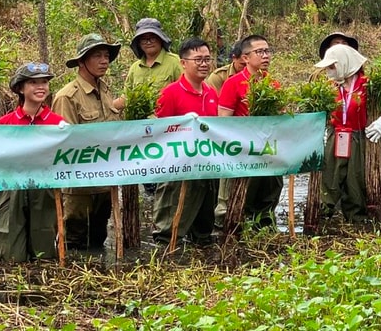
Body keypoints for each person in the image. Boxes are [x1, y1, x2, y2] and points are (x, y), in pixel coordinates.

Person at [51, 33, 121, 250]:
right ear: (82, 61)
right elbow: (65, 143)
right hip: (78, 188)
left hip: (104, 184)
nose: (104, 61)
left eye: (106, 55)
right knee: (73, 242)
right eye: (97, 56)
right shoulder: (67, 97)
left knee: (98, 240)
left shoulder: (106, 91)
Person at [0, 63, 65, 262]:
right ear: (21, 89)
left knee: (44, 249)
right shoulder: (5, 123)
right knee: (9, 249)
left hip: (45, 187)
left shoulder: (59, 124)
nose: (40, 87)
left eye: (44, 82)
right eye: (33, 82)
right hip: (12, 187)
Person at [152, 38, 219, 245]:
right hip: (177, 169)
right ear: (183, 63)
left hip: (207, 167)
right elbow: (160, 131)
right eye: (198, 59)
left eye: (207, 59)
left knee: (204, 230)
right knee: (169, 229)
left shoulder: (211, 93)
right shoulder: (170, 93)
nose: (204, 64)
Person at [215, 34, 282, 229]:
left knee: (270, 188)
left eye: (268, 51)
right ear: (245, 58)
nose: (265, 56)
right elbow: (223, 121)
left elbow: (280, 117)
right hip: (241, 150)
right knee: (236, 195)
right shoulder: (233, 83)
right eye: (259, 52)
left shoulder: (273, 84)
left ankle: (265, 224)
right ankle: (232, 225)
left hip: (267, 149)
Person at [314, 44, 369, 221]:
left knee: (355, 177)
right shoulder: (329, 87)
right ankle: (323, 213)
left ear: (345, 64)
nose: (329, 72)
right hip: (335, 135)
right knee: (330, 174)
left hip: (358, 137)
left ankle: (356, 217)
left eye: (332, 67)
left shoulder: (366, 85)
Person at [114, 18, 183, 110]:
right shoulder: (135, 68)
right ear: (138, 43)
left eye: (153, 38)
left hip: (168, 121)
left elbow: (186, 93)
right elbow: (126, 98)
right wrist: (106, 108)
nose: (148, 42)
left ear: (160, 39)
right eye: (144, 39)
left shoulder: (175, 62)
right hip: (140, 122)